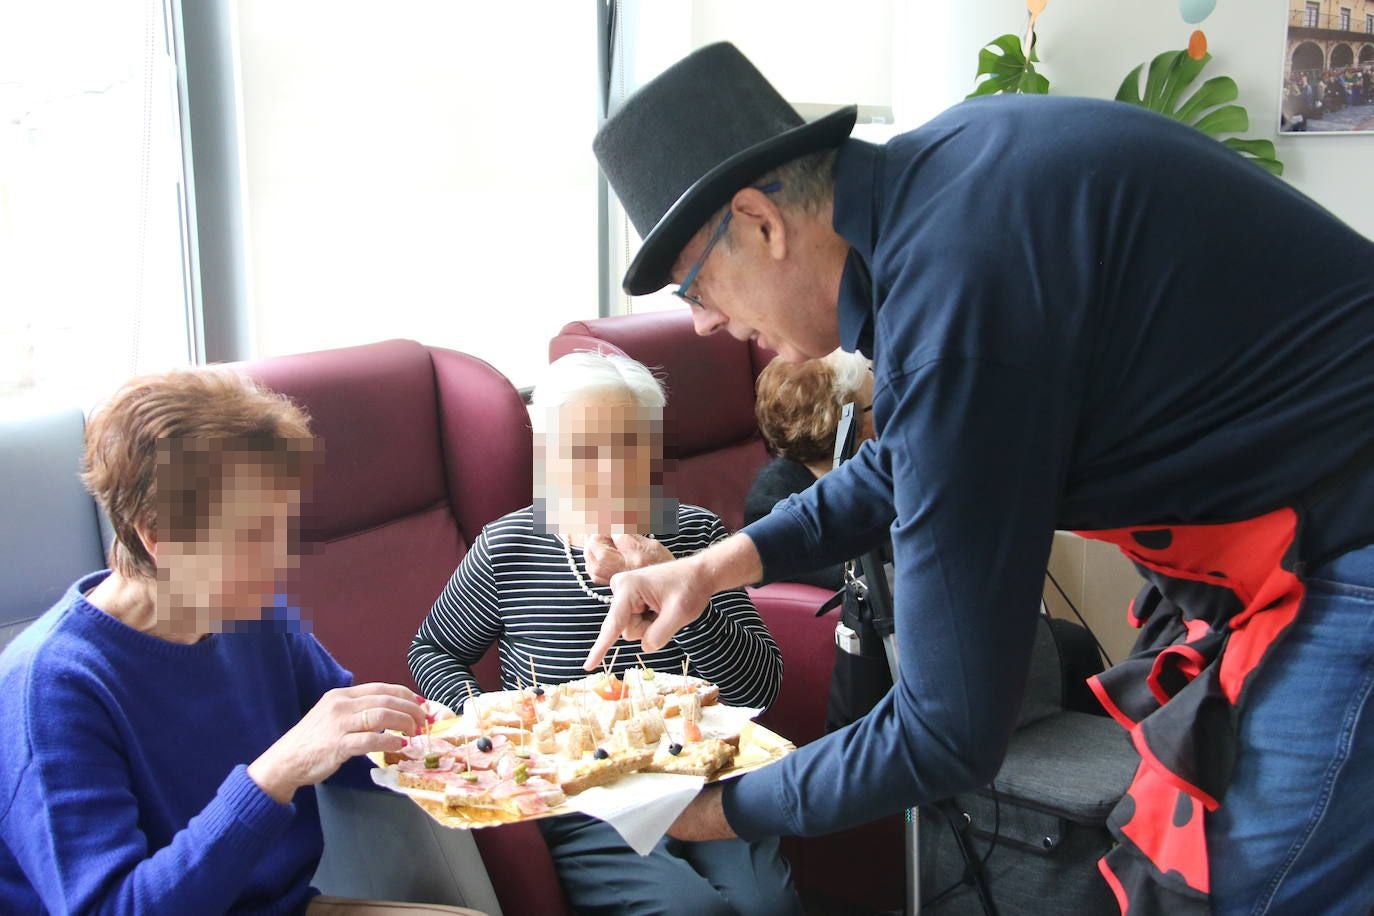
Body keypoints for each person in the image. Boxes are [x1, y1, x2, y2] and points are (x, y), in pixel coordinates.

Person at [585, 42, 1374, 915]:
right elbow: (908, 461)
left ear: (762, 222)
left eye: (694, 286)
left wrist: (707, 810)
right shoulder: (945, 193)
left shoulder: (956, 290)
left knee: (1245, 888)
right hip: (1310, 527)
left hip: (1347, 538)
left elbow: (946, 733)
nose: (701, 324)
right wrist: (711, 567)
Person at [0, 369, 482, 915]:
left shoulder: (256, 619)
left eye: (281, 528)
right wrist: (276, 772)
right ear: (160, 539)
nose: (281, 560)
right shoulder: (49, 690)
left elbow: (354, 742)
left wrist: (486, 741)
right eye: (252, 537)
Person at [407, 351, 800, 916]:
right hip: (583, 798)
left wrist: (678, 589)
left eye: (629, 445)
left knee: (770, 905)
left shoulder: (695, 536)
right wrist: (484, 714)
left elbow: (758, 687)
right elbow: (433, 650)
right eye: (585, 452)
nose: (612, 471)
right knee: (691, 912)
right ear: (548, 457)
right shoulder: (510, 547)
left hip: (696, 773)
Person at [743, 349, 875, 592]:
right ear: (851, 425)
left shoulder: (878, 471)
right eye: (872, 406)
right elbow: (856, 574)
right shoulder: (770, 502)